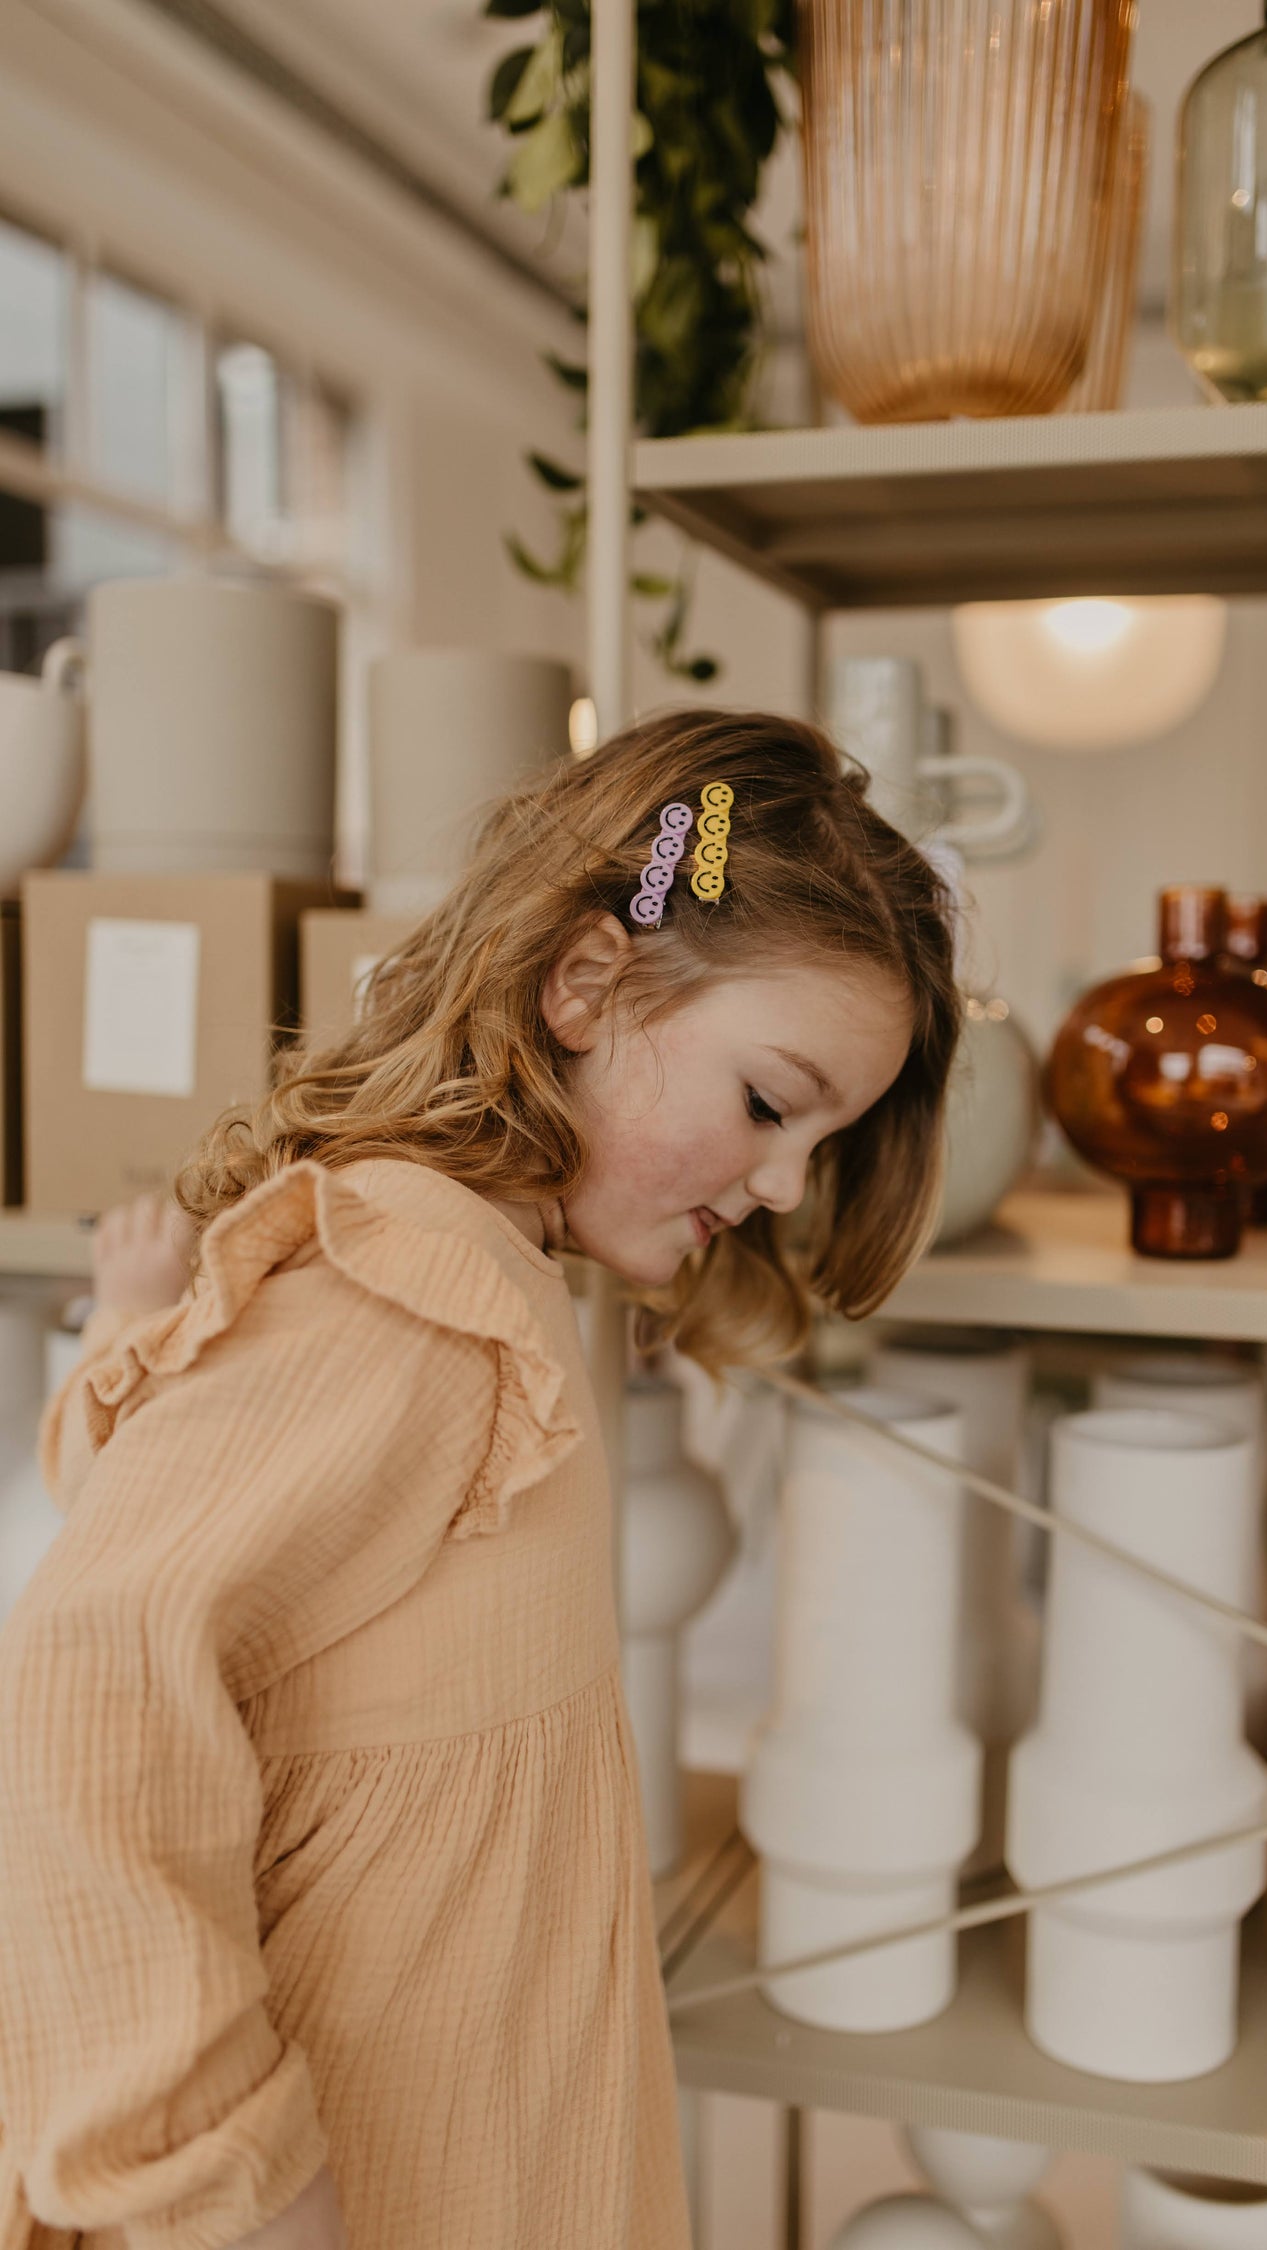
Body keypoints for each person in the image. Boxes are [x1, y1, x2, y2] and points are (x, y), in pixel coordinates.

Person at [0, 708, 961, 2250]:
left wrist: (131, 1334)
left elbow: (172, 1525)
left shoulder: (484, 1280)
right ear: (585, 983)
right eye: (769, 1105)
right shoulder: (411, 1299)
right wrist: (222, 2175)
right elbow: (89, 1671)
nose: (786, 1183)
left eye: (819, 1139)